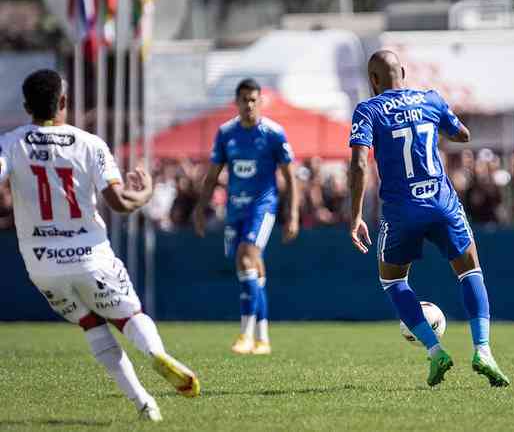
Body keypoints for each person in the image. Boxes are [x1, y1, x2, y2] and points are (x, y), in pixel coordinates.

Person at [0, 69, 200, 422]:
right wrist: (146, 192)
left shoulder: (10, 143)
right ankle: (155, 352)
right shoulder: (90, 143)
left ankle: (144, 403)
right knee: (129, 317)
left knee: (91, 324)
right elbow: (121, 202)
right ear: (63, 101)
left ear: (27, 105)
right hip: (91, 255)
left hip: (42, 264)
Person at [348, 51, 510, 387]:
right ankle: (483, 350)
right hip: (441, 202)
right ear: (403, 72)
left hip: (401, 209)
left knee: (393, 281)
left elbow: (360, 163)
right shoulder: (430, 99)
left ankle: (436, 351)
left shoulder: (368, 110)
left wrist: (355, 215)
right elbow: (461, 134)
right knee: (470, 270)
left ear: (373, 80)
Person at [194, 78, 299, 355]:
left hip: (263, 207)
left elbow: (290, 176)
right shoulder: (226, 132)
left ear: (260, 101)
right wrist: (200, 209)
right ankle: (263, 339)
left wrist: (293, 213)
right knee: (253, 269)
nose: (249, 105)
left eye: (254, 100)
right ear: (236, 102)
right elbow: (212, 175)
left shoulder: (275, 133)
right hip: (235, 209)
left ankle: (245, 334)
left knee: (245, 256)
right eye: (244, 100)